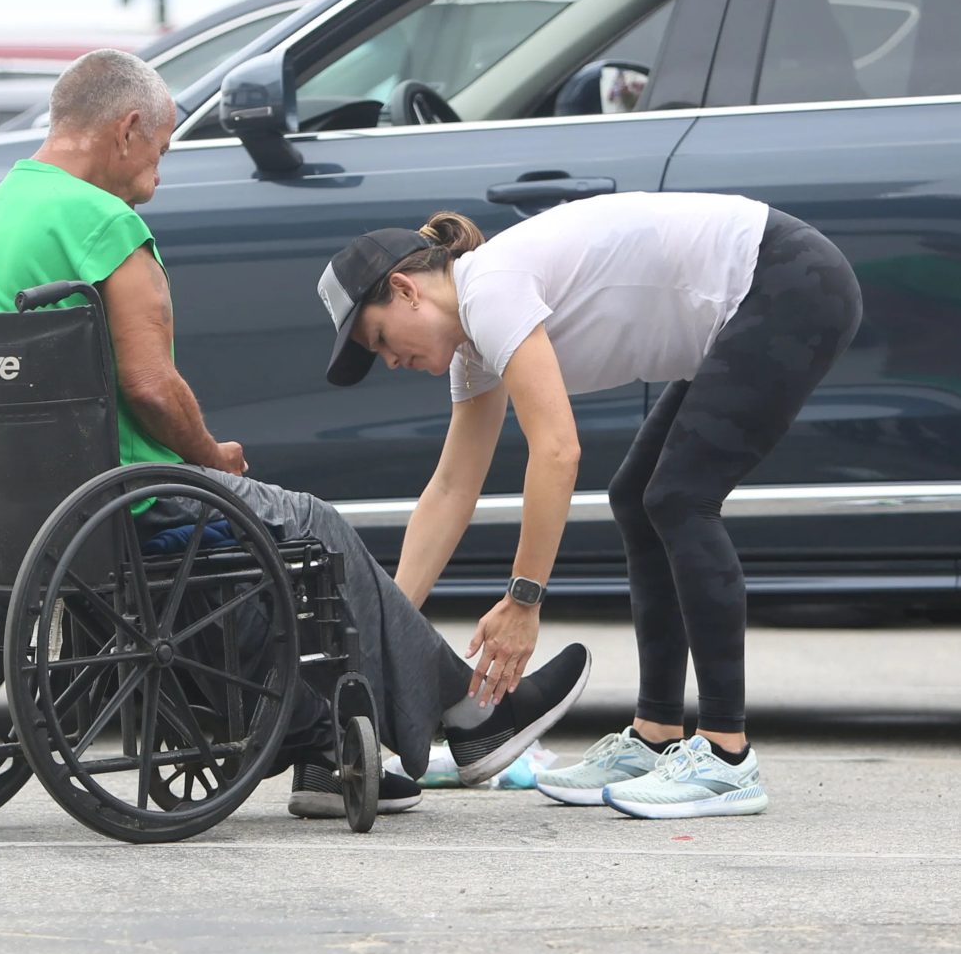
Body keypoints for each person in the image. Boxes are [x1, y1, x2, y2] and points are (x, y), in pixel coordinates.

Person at [0, 48, 591, 820]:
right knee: (310, 529)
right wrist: (213, 457)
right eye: (164, 149)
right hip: (118, 508)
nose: (158, 174)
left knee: (239, 553)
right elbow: (149, 385)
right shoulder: (104, 222)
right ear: (130, 128)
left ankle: (317, 750)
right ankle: (469, 712)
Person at [317, 193, 862, 819]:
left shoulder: (490, 289)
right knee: (638, 498)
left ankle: (727, 755)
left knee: (681, 498)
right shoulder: (474, 343)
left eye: (381, 338)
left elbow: (557, 451)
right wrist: (390, 629)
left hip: (786, 281)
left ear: (406, 289)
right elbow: (450, 490)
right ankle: (656, 736)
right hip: (757, 292)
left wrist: (524, 599)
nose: (390, 360)